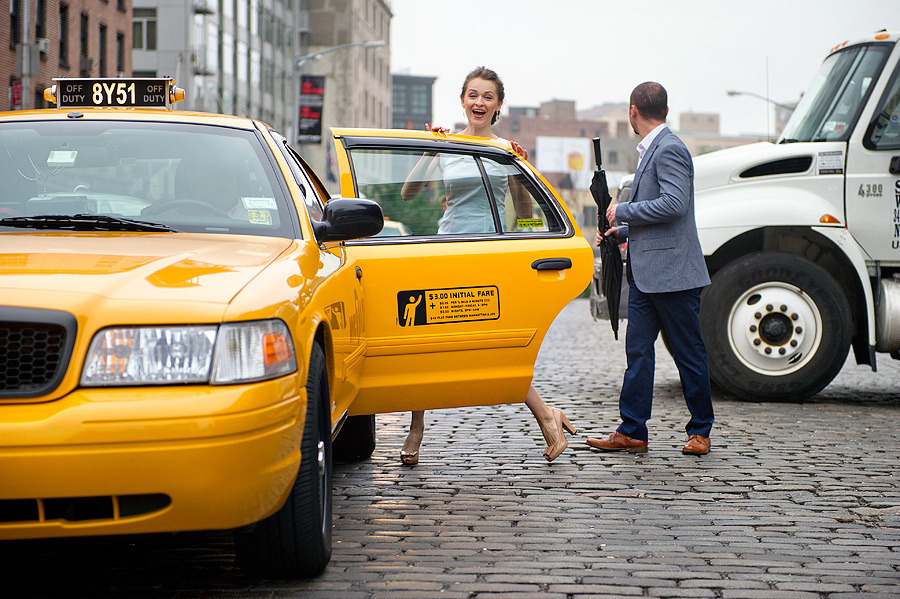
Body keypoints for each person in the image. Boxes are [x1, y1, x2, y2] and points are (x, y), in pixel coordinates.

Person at [396, 66, 576, 465]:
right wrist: (430, 149)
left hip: (491, 254)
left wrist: (528, 248)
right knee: (427, 340)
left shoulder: (505, 151)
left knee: (499, 344)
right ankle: (416, 428)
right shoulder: (446, 145)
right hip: (447, 250)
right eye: (473, 95)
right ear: (462, 100)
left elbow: (526, 211)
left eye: (488, 97)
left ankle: (548, 417)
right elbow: (408, 194)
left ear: (498, 106)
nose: (479, 102)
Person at [586, 81, 715, 456]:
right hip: (645, 274)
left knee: (689, 353)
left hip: (674, 275)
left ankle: (700, 431)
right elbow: (662, 216)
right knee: (638, 353)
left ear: (632, 111)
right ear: (666, 110)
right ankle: (632, 431)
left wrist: (621, 210)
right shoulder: (654, 149)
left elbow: (674, 204)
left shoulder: (669, 148)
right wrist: (621, 230)